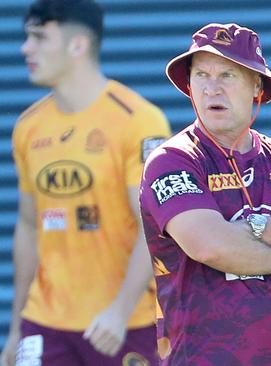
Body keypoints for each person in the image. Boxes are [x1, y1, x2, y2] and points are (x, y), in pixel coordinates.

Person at [139, 23, 271, 365]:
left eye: (227, 75)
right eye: (202, 75)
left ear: (256, 86)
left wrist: (256, 227)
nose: (212, 89)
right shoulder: (172, 160)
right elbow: (211, 245)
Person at [0, 0, 171, 365]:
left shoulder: (138, 121)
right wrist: (16, 328)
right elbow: (29, 226)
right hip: (45, 322)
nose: (24, 48)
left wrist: (120, 310)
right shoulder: (29, 126)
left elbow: (154, 226)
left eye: (38, 38)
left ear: (77, 45)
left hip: (125, 324)